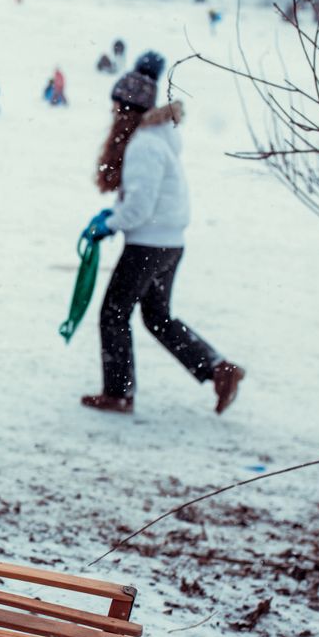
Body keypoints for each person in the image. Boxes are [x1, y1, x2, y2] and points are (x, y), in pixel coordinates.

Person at [80, 52, 244, 415]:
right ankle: (218, 369)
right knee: (156, 316)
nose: (113, 114)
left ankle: (119, 394)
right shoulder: (158, 138)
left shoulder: (143, 146)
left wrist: (109, 224)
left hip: (148, 246)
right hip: (168, 243)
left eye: (117, 107)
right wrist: (116, 214)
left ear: (129, 108)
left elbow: (140, 207)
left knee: (113, 314)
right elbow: (143, 201)